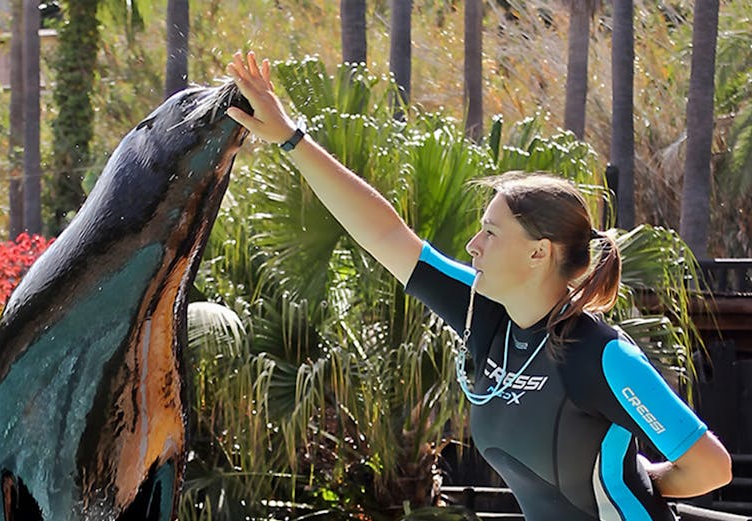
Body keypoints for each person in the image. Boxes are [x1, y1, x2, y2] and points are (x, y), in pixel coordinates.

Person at [225, 50, 732, 521]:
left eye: (490, 232)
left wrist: (637, 481)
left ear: (540, 252)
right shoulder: (482, 313)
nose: (473, 245)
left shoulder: (600, 355)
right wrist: (291, 139)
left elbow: (711, 466)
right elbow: (385, 235)